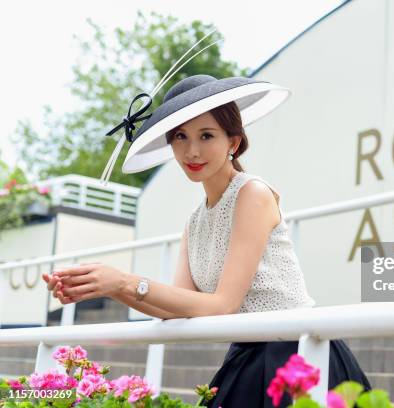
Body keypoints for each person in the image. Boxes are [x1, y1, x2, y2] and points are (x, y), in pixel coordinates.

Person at [42, 73, 372, 407]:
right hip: (249, 354)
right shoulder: (195, 221)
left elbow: (222, 305)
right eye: (181, 137)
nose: (192, 150)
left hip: (298, 355)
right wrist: (109, 286)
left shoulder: (252, 194)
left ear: (233, 142)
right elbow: (177, 308)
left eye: (207, 135)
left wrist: (126, 281)